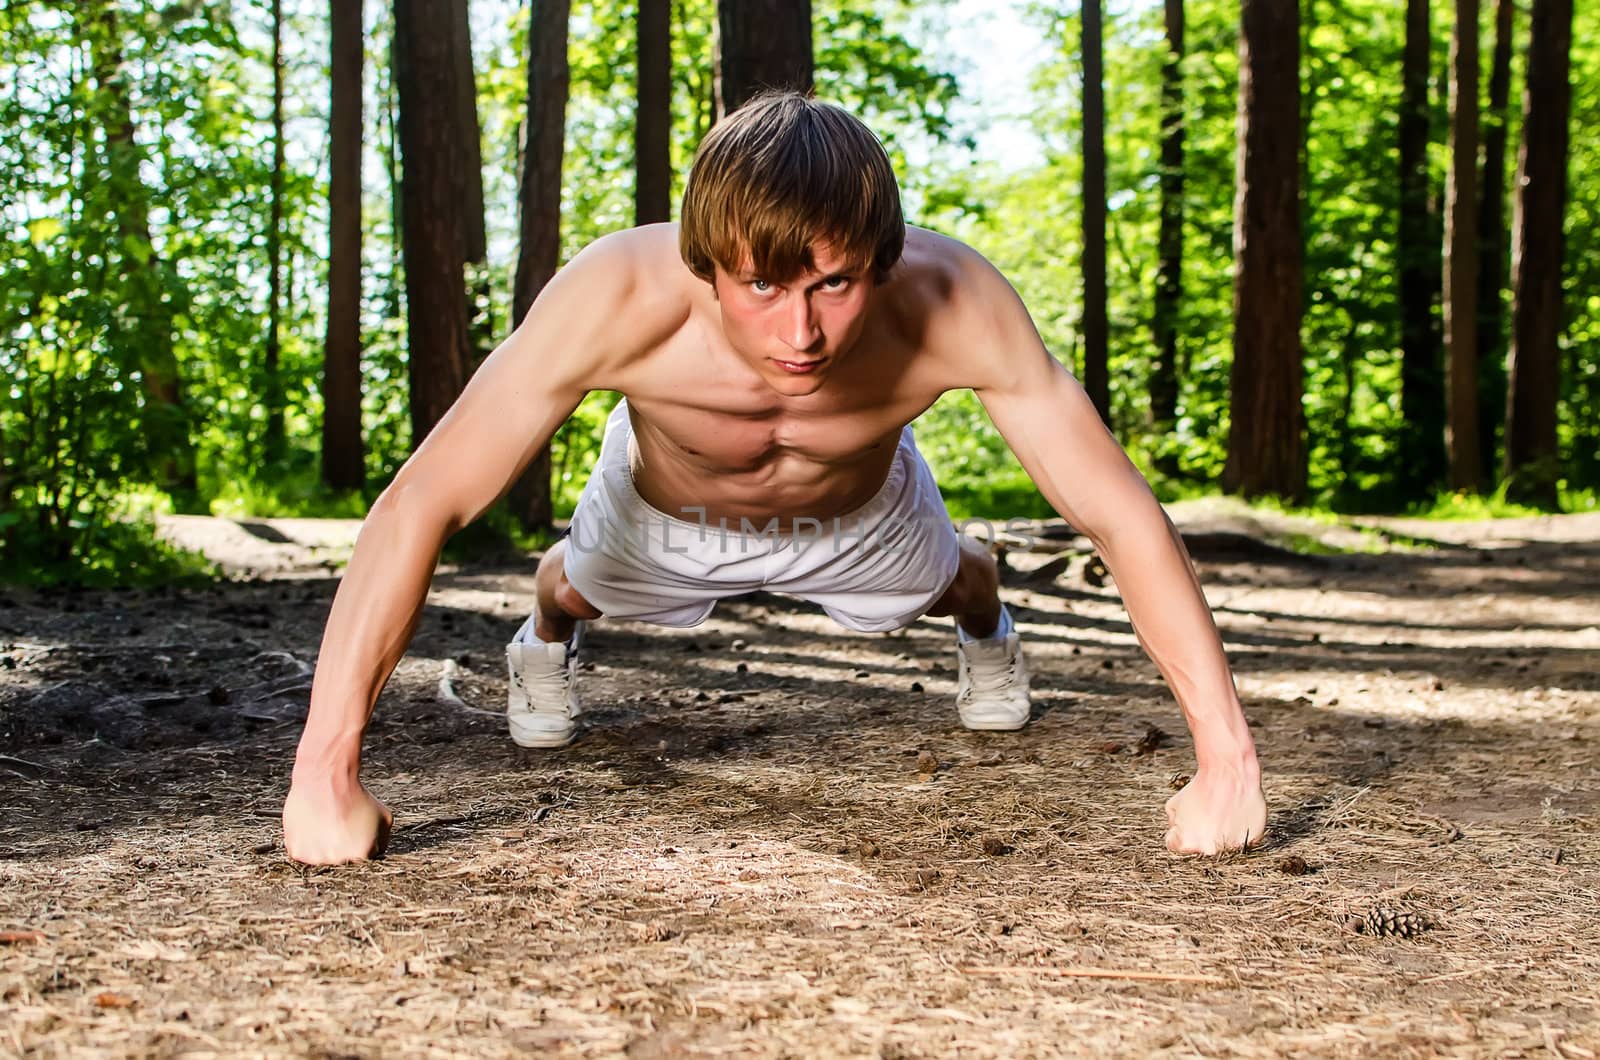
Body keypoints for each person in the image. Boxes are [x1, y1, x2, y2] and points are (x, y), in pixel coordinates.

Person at [282, 92, 1266, 866]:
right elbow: (422, 499)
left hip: (862, 516)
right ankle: (548, 631)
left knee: (955, 577)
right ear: (706, 264)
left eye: (833, 284)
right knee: (573, 581)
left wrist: (1226, 762)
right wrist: (326, 770)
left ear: (880, 264)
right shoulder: (618, 297)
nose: (800, 335)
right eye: (762, 286)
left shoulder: (953, 300)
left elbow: (1118, 512)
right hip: (663, 514)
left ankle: (987, 621)